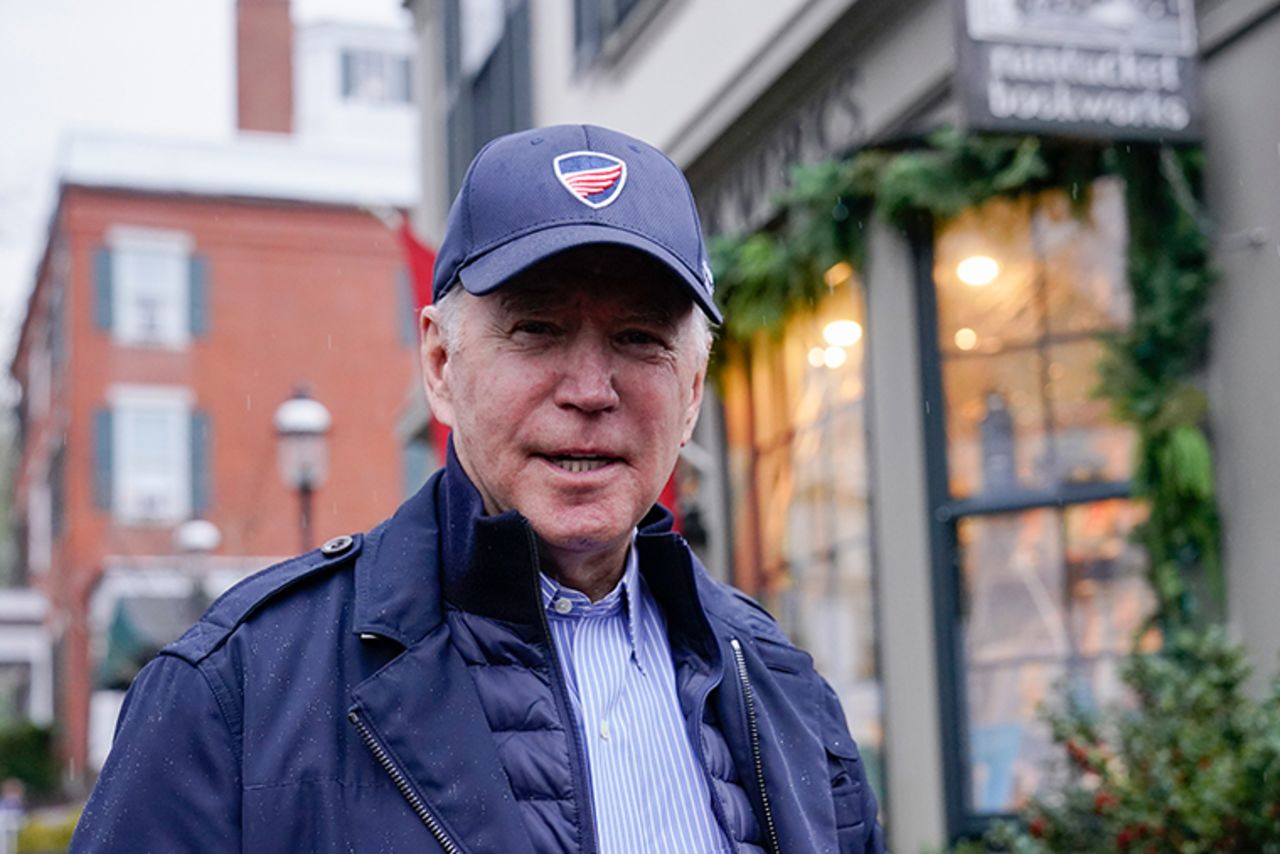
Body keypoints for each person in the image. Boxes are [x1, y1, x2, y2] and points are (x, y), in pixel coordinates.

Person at [71, 124, 884, 853]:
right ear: (440, 367)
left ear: (693, 390)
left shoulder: (783, 690)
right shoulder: (237, 693)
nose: (591, 388)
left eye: (640, 338)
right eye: (537, 329)